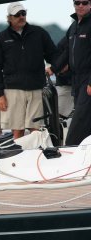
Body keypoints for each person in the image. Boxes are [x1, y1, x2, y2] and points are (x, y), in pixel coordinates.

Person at [0, 2, 57, 139]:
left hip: (36, 87)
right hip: (13, 90)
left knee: (36, 129)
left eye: (23, 14)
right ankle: (19, 157)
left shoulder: (39, 33)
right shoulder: (1, 39)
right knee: (17, 130)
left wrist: (57, 67)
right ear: (9, 18)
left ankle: (38, 156)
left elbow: (53, 55)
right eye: (17, 15)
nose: (21, 17)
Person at [47, 0, 91, 145]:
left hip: (87, 78)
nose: (80, 5)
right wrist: (53, 69)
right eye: (77, 2)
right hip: (76, 80)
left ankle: (70, 148)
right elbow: (66, 52)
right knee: (85, 117)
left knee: (79, 119)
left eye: (85, 2)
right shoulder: (73, 27)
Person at [55, 37, 73, 118]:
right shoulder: (64, 42)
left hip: (81, 84)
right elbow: (58, 66)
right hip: (66, 85)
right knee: (58, 118)